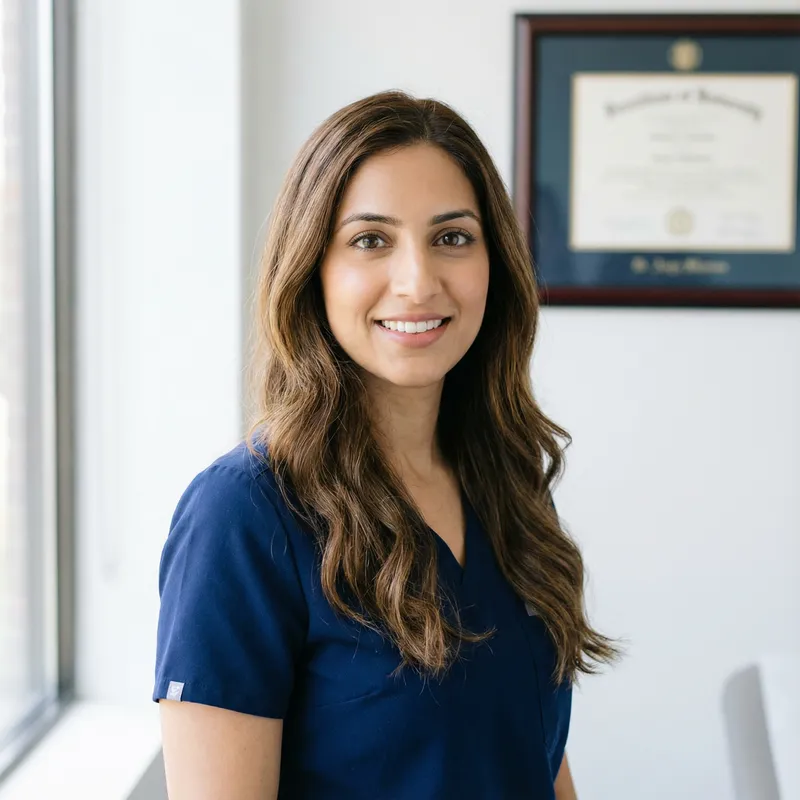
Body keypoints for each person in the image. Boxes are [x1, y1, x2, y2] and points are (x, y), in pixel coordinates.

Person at [153, 90, 617, 799]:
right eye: (371, 240)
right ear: (313, 268)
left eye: (452, 237)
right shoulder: (244, 515)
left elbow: (535, 757)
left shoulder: (507, 482)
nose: (417, 281)